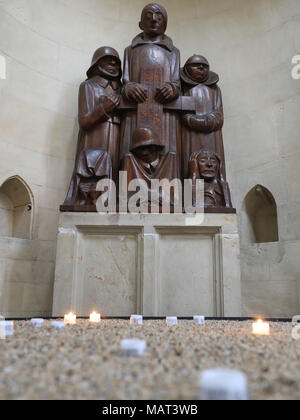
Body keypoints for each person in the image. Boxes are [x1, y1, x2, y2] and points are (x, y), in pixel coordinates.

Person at [120, 3, 181, 172]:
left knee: (168, 154)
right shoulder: (130, 51)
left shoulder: (173, 52)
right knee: (131, 156)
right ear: (140, 24)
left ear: (165, 23)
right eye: (148, 17)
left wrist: (172, 89)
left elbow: (176, 83)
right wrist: (129, 88)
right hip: (135, 110)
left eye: (159, 17)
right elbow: (125, 81)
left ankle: (169, 193)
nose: (153, 20)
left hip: (165, 113)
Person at [61, 47, 122, 209]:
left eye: (116, 63)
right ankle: (87, 198)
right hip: (94, 137)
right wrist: (103, 109)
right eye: (108, 60)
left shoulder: (121, 89)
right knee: (92, 168)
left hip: (117, 135)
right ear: (97, 63)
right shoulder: (88, 86)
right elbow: (84, 121)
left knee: (114, 167)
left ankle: (111, 199)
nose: (113, 64)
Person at [181, 55, 226, 180]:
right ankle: (192, 194)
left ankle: (216, 191)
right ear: (186, 69)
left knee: (213, 164)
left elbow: (218, 113)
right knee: (190, 165)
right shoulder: (182, 87)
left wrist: (202, 121)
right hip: (189, 134)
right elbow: (180, 113)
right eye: (196, 65)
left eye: (204, 66)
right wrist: (188, 119)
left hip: (212, 135)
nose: (201, 67)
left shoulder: (215, 89)